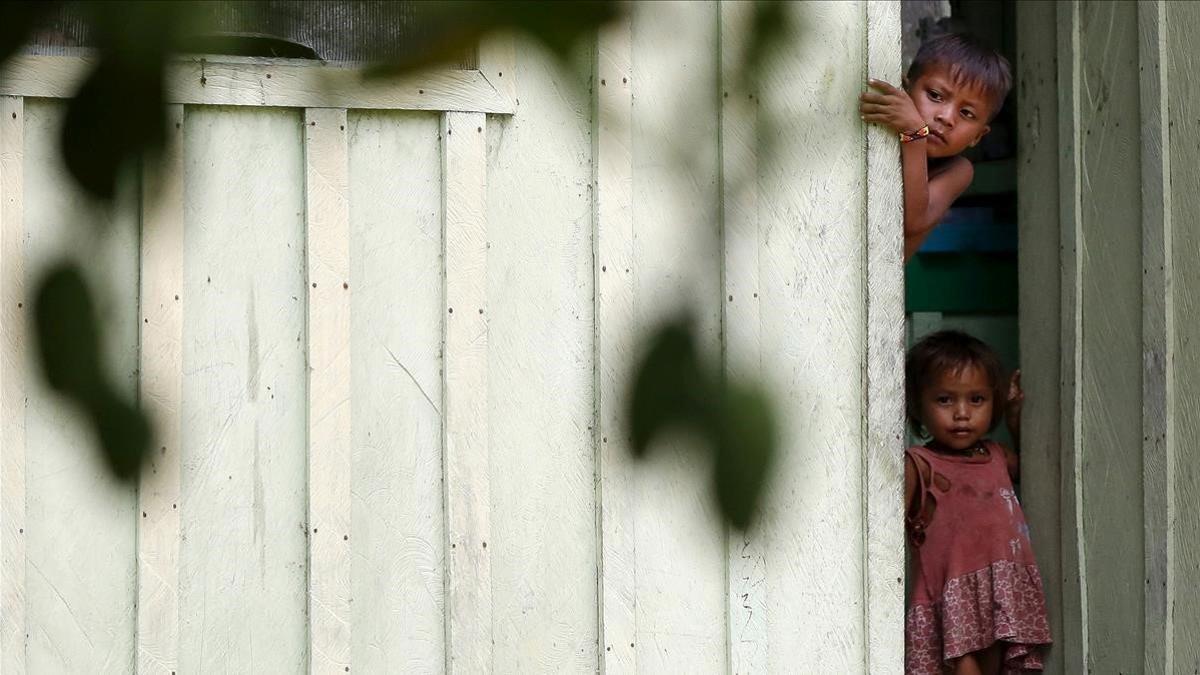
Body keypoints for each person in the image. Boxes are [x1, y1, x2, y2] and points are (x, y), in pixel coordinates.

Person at [904, 330, 1051, 674]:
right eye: (944, 400)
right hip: (950, 599)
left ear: (993, 402)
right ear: (917, 405)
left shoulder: (998, 456)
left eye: (976, 400)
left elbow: (1036, 474)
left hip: (999, 595)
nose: (961, 414)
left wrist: (1015, 420)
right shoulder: (919, 464)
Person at [859, 33, 1012, 261]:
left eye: (967, 113)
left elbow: (912, 221)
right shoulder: (882, 133)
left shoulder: (958, 170)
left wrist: (915, 135)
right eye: (935, 95)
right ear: (905, 90)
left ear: (977, 136)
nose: (946, 117)